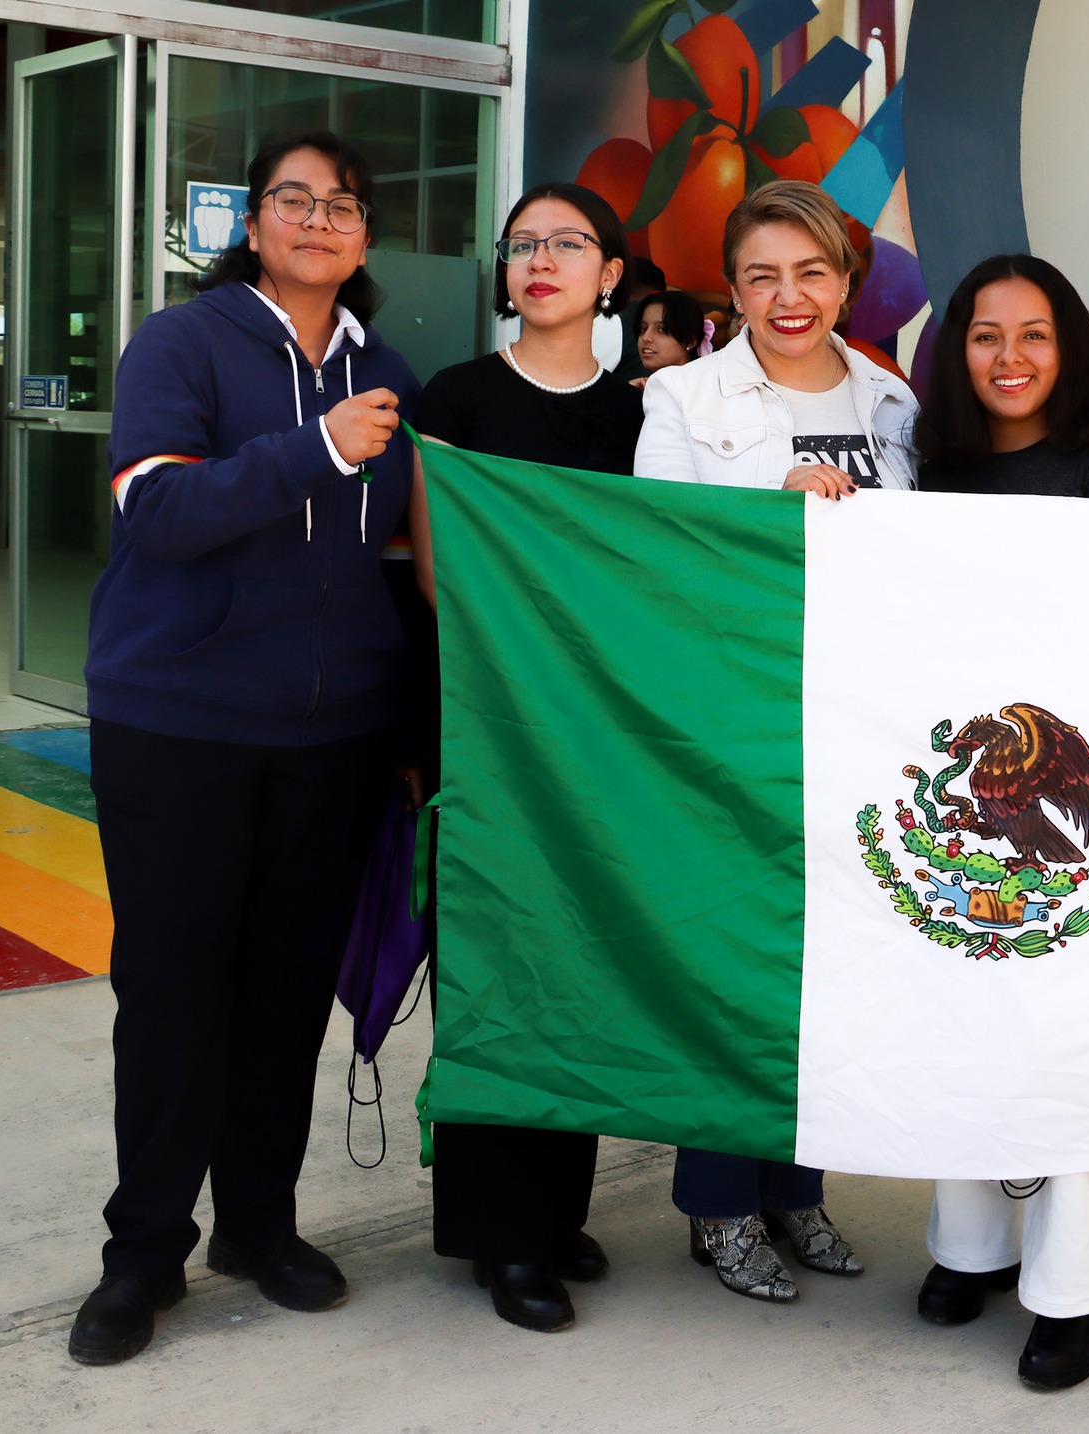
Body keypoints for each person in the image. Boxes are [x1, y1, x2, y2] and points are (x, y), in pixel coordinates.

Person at [70, 131, 418, 1366]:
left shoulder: (391, 372)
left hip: (332, 737)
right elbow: (154, 509)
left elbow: (401, 567)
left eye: (342, 203)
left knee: (282, 997)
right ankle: (143, 1255)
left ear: (364, 235)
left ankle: (257, 1228)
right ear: (254, 223)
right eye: (293, 200)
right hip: (180, 724)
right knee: (170, 995)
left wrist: (407, 725)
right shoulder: (185, 341)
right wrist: (318, 447)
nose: (319, 219)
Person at [635, 179, 915, 1298]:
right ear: (733, 287)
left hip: (852, 726)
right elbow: (660, 555)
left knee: (828, 972)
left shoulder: (893, 400)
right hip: (731, 723)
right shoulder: (683, 397)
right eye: (760, 274)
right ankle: (716, 1207)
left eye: (809, 271)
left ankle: (795, 1192)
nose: (786, 296)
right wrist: (771, 505)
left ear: (845, 280)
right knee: (729, 969)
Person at [911, 252, 1089, 1390]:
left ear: (1071, 350)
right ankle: (969, 1247)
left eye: (1035, 335)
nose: (1008, 359)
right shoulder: (933, 461)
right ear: (955, 351)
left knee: (1074, 1040)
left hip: (1083, 783)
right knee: (954, 1003)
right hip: (962, 780)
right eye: (983, 336)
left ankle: (1068, 1290)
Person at [405, 182, 645, 1334]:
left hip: (598, 740)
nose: (540, 260)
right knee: (498, 972)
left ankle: (555, 1211)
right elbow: (439, 572)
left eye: (568, 244)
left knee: (582, 968)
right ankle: (499, 1237)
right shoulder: (455, 397)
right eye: (522, 245)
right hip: (487, 722)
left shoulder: (640, 415)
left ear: (611, 273)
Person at [630, 288, 707, 387]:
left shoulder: (701, 392)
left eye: (661, 330)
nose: (646, 337)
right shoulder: (644, 387)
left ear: (690, 341)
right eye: (643, 329)